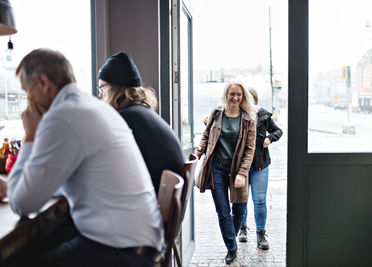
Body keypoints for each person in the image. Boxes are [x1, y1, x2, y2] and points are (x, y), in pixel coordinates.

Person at [7, 48, 164, 267]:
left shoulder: (62, 117)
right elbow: (55, 183)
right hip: (138, 241)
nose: (29, 101)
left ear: (43, 82)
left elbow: (22, 204)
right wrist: (20, 186)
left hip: (122, 252)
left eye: (27, 92)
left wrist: (31, 136)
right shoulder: (93, 107)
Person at [97, 51, 185, 195]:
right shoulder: (143, 113)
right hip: (163, 199)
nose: (99, 96)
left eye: (102, 89)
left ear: (114, 89)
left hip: (151, 201)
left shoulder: (125, 119)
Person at [195, 81, 256, 264]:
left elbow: (250, 149)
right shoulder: (216, 114)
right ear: (226, 95)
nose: (235, 98)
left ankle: (231, 237)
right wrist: (198, 152)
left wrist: (242, 173)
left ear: (243, 97)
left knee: (239, 210)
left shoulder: (248, 119)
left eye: (238, 94)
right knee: (223, 211)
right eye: (232, 94)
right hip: (217, 169)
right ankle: (231, 247)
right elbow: (206, 135)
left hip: (238, 171)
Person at [238, 87, 283, 250]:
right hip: (241, 166)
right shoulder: (236, 115)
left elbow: (278, 131)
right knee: (241, 200)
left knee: (259, 200)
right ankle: (242, 229)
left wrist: (270, 139)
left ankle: (260, 234)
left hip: (260, 165)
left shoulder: (263, 115)